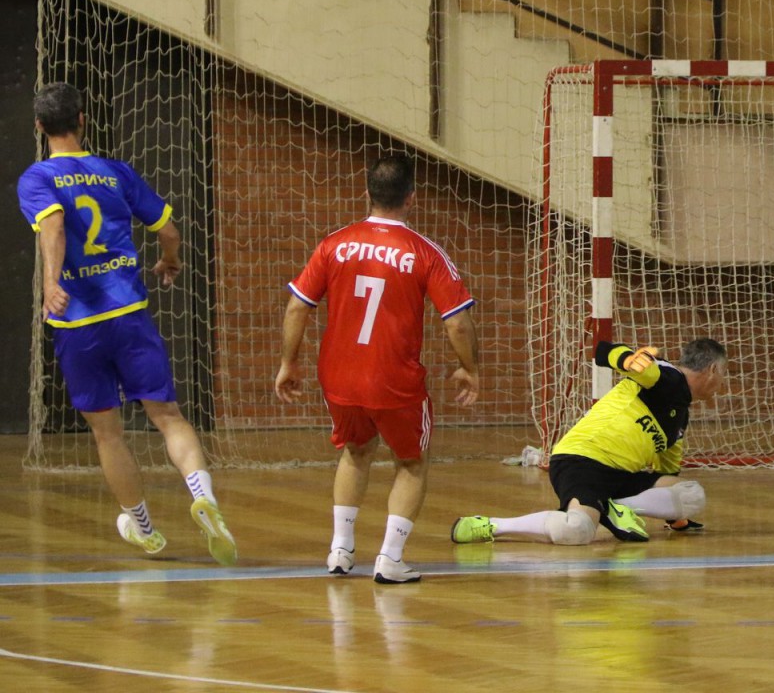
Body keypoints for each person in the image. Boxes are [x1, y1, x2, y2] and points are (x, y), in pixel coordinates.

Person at [16, 82, 237, 565]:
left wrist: (52, 283)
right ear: (82, 120)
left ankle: (144, 529)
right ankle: (205, 500)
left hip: (79, 325)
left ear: (39, 126)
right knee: (168, 417)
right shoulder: (115, 172)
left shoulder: (36, 178)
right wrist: (170, 260)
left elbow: (53, 225)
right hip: (129, 315)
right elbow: (169, 231)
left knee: (108, 434)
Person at [275, 150, 480, 584]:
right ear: (411, 197)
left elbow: (297, 307)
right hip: (394, 379)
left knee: (355, 451)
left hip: (339, 377)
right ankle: (391, 558)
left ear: (367, 193)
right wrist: (470, 368)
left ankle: (340, 551)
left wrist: (288, 363)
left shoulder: (334, 243)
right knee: (412, 462)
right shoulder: (423, 252)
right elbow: (458, 322)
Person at [451, 339, 726, 546]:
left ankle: (613, 508)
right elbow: (604, 350)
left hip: (622, 477)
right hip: (582, 461)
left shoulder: (680, 419)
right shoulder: (666, 377)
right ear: (712, 370)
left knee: (692, 494)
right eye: (723, 373)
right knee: (576, 530)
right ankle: (491, 526)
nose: (722, 382)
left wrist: (676, 517)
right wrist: (627, 359)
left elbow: (668, 472)